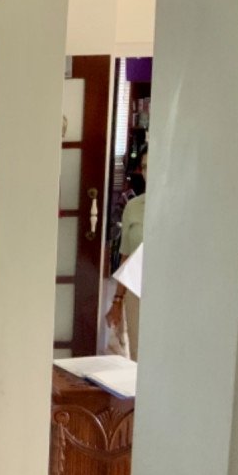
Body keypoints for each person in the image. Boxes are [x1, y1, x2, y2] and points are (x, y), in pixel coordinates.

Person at [106, 150, 147, 359]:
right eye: (146, 167)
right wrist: (117, 300)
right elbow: (126, 256)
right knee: (139, 355)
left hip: (172, 291)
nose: (150, 172)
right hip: (137, 290)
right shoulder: (134, 207)